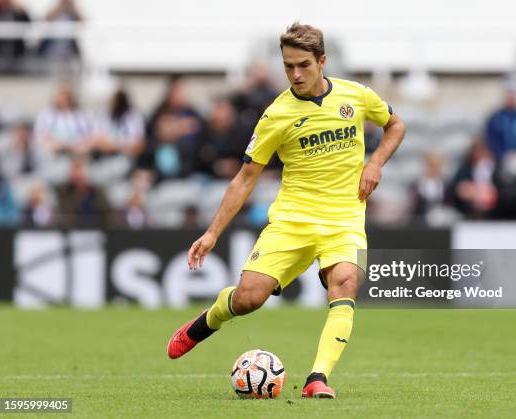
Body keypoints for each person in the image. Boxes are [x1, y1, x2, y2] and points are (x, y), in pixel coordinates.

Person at [167, 23, 406, 399]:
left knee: (346, 282)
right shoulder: (276, 114)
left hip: (345, 220)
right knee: (248, 299)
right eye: (288, 66)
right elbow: (245, 178)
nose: (295, 74)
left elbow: (395, 125)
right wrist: (212, 233)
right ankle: (207, 321)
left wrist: (375, 163)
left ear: (322, 61)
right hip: (292, 221)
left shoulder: (355, 96)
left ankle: (317, 379)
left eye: (303, 65)